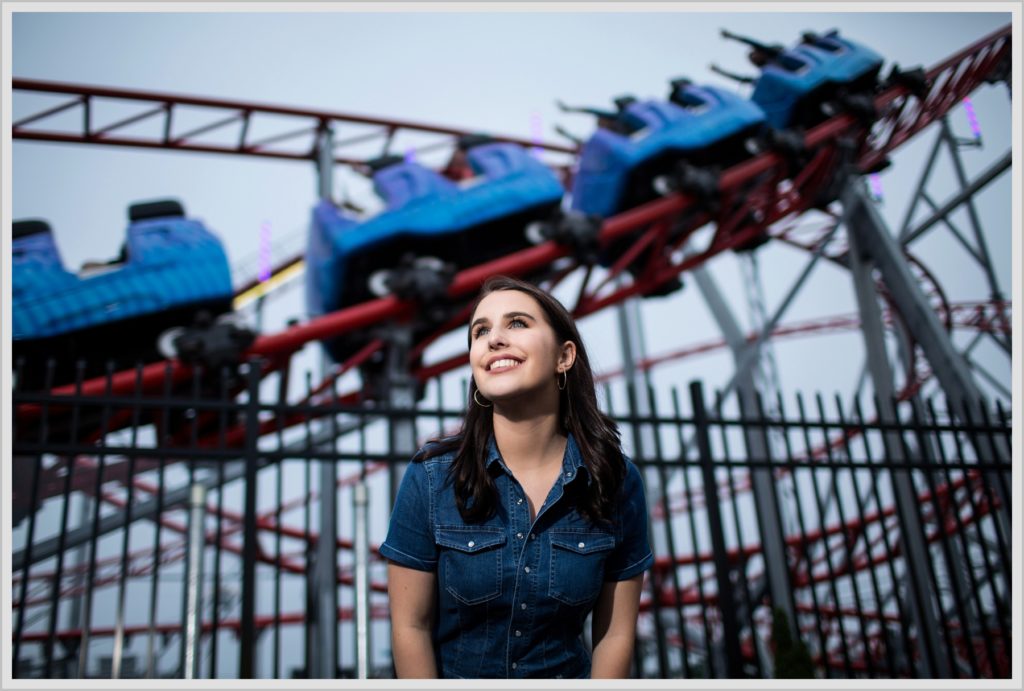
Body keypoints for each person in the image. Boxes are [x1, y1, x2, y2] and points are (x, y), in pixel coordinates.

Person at [380, 275, 654, 679]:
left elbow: (614, 634)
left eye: (518, 323)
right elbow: (409, 628)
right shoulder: (432, 478)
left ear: (564, 356)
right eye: (481, 330)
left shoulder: (614, 480)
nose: (494, 340)